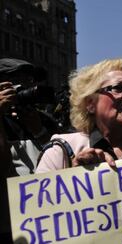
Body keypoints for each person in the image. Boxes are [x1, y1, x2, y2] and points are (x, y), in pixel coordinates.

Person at [0, 58, 58, 242]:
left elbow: (63, 161)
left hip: (45, 222)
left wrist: (39, 131)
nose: (24, 88)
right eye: (16, 81)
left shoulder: (42, 119)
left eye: (29, 81)